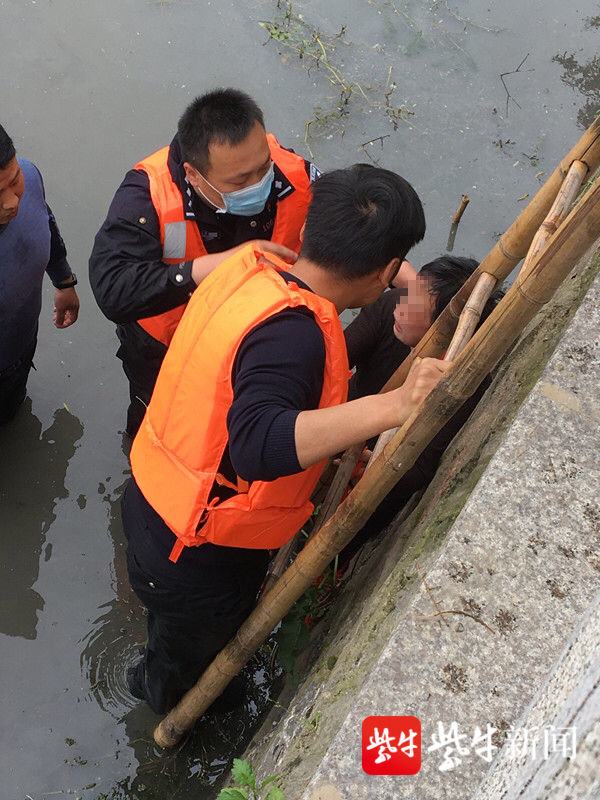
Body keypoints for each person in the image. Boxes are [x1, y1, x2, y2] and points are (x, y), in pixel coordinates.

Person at [121, 163, 453, 715]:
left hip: (157, 497)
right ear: (387, 272)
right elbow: (257, 444)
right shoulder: (296, 335)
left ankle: (161, 660)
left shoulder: (250, 268)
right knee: (185, 669)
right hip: (195, 552)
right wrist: (394, 406)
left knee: (175, 633)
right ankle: (160, 701)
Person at [89, 88, 319, 437]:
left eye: (262, 168)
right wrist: (220, 266)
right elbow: (112, 290)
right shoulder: (146, 195)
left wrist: (407, 282)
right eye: (241, 180)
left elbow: (353, 224)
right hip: (166, 352)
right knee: (156, 429)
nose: (259, 184)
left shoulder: (293, 172)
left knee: (235, 431)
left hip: (256, 342)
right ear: (194, 175)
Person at [338, 255, 504, 563]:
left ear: (447, 330)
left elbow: (422, 469)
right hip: (341, 426)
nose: (403, 304)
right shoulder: (391, 309)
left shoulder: (464, 383)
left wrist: (377, 463)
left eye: (418, 305)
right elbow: (333, 364)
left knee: (340, 541)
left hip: (378, 477)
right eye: (409, 292)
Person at [0, 124, 79, 424]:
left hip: (20, 350)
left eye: (14, 180)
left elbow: (45, 220)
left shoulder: (30, 177)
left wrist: (64, 280)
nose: (13, 202)